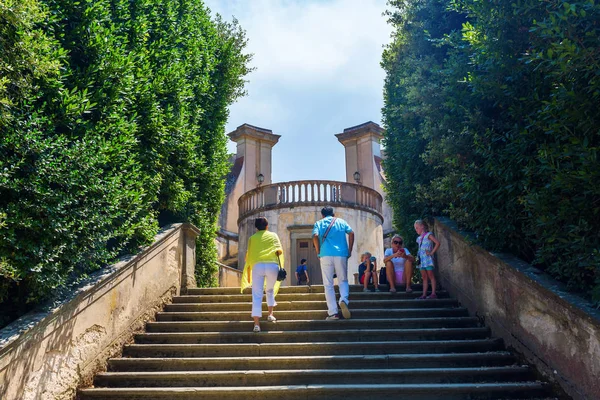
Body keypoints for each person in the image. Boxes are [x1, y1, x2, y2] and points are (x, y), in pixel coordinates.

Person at [241, 217, 284, 332]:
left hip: (257, 266)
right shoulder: (273, 235)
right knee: (269, 290)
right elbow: (279, 251)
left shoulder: (252, 238)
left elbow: (248, 255)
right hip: (272, 265)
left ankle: (256, 325)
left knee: (256, 294)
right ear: (267, 226)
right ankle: (270, 315)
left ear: (256, 227)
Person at [312, 206, 354, 320]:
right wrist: (349, 250)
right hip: (341, 254)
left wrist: (318, 251)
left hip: (325, 254)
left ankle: (333, 313)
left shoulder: (319, 223)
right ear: (333, 214)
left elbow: (315, 236)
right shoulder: (341, 222)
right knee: (343, 280)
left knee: (328, 284)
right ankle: (344, 300)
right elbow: (351, 233)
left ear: (322, 215)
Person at [414, 219, 440, 299]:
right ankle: (424, 294)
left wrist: (431, 253)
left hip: (427, 260)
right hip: (421, 260)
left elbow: (437, 243)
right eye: (415, 228)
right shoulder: (418, 239)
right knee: (424, 277)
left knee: (431, 275)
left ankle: (433, 293)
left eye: (417, 227)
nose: (416, 230)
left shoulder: (428, 235)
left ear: (422, 226)